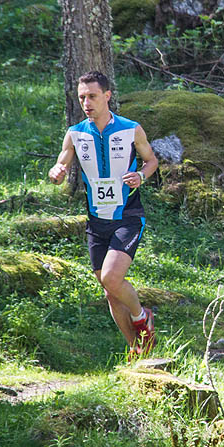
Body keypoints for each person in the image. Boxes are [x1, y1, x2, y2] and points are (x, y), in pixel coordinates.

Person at [48, 71, 159, 354]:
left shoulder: (131, 129)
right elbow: (62, 161)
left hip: (128, 215)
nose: (86, 102)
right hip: (97, 221)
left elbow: (151, 161)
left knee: (111, 277)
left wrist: (141, 176)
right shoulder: (75, 133)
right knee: (110, 291)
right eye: (82, 97)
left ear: (107, 96)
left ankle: (141, 316)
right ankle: (137, 349)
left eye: (92, 96)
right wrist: (57, 171)